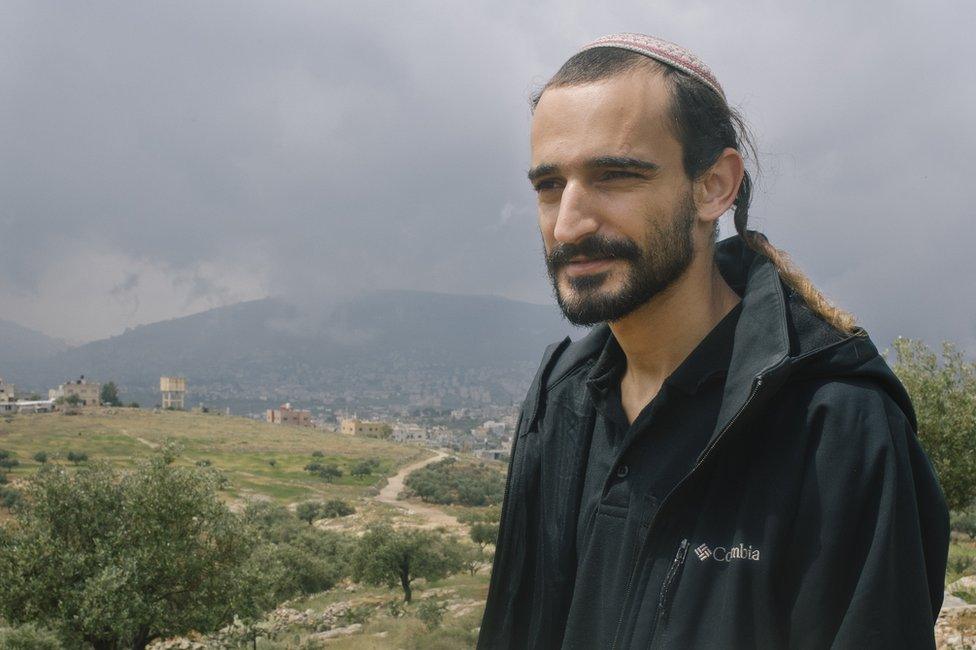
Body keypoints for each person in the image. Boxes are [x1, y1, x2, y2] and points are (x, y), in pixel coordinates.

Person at [478, 33, 949, 649]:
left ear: (714, 186)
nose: (568, 223)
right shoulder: (558, 400)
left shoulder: (836, 428)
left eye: (615, 176)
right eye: (548, 186)